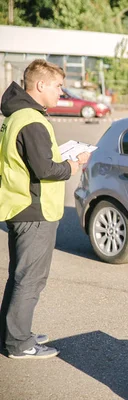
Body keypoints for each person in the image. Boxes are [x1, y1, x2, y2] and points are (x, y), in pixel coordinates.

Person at [0, 59, 90, 359]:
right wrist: (73, 164)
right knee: (30, 279)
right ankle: (19, 344)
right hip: (35, 210)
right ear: (40, 85)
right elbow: (46, 169)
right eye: (57, 86)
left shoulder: (17, 116)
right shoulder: (32, 120)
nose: (60, 92)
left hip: (19, 204)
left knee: (19, 276)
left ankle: (12, 333)